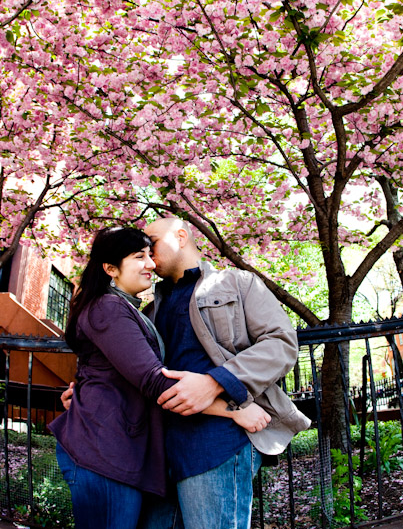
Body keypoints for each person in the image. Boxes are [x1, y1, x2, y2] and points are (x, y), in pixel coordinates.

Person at [62, 218, 310, 529]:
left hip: (214, 443)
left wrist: (215, 383)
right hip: (157, 455)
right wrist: (87, 396)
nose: (149, 257)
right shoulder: (146, 312)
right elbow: (133, 373)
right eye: (141, 253)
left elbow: (282, 343)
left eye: (152, 244)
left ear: (180, 236)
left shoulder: (238, 283)